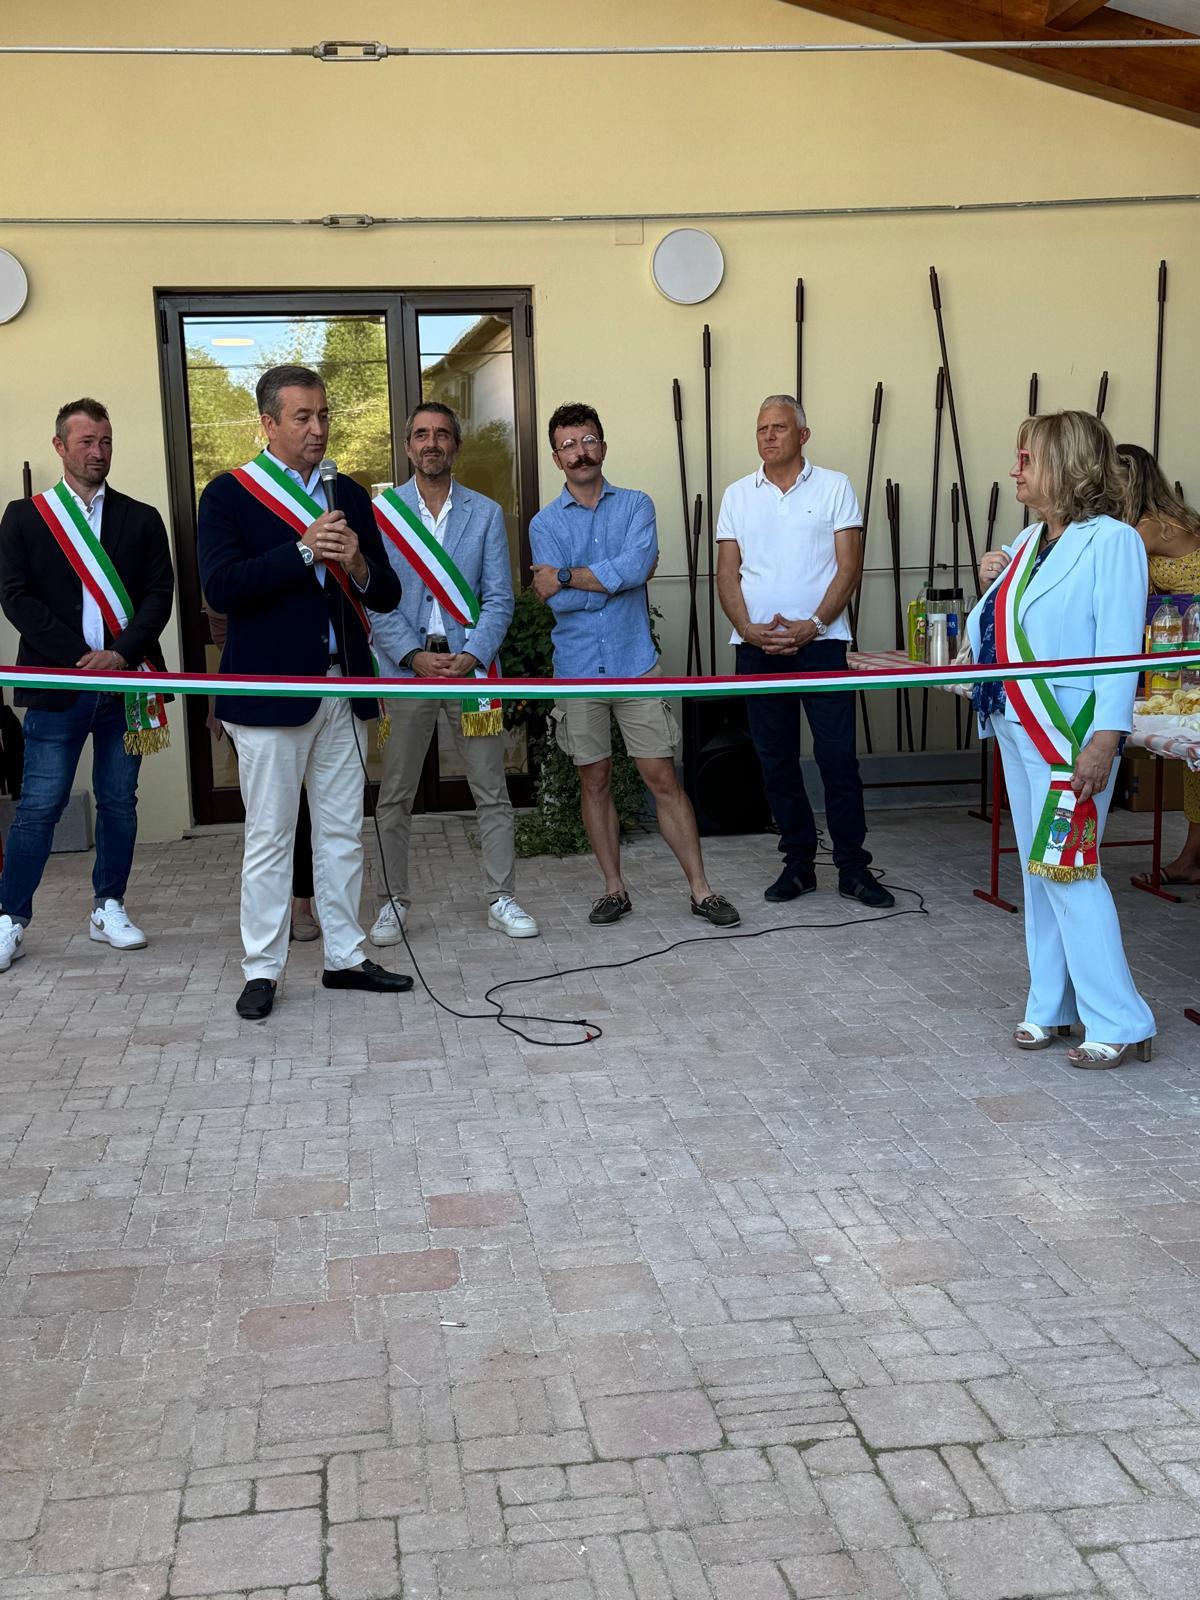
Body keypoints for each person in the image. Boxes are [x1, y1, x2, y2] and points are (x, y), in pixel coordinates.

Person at [197, 364, 412, 1021]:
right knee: (270, 836)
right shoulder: (229, 494)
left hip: (342, 686)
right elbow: (221, 587)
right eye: (302, 417)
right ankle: (262, 969)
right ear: (268, 424)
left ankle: (345, 956)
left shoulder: (348, 493)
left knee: (343, 832)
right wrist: (301, 552)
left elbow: (387, 593)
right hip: (271, 694)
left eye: (323, 416)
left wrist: (357, 562)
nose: (318, 428)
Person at [970, 411, 1154, 1069]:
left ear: (1066, 465)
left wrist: (1107, 738)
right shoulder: (1027, 542)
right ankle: (1051, 1002)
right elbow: (996, 634)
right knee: (1039, 869)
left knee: (1070, 870)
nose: (1014, 470)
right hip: (1017, 723)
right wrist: (990, 582)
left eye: (1027, 459)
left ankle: (1122, 1019)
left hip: (1070, 734)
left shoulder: (1113, 541)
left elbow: (1120, 649)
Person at [529, 402, 739, 928]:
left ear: (603, 446)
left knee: (662, 778)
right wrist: (611, 579)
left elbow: (636, 566)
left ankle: (702, 891)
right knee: (594, 781)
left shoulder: (636, 505)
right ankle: (614, 889)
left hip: (635, 666)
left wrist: (568, 574)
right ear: (556, 458)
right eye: (568, 445)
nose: (580, 452)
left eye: (588, 440)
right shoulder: (544, 523)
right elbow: (560, 602)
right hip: (578, 672)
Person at [0, 398, 175, 973]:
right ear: (60, 447)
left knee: (119, 802)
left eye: (105, 441)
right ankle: (9, 918)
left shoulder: (141, 517)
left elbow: (159, 595)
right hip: (59, 685)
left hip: (125, 684)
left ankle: (109, 907)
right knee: (39, 806)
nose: (98, 452)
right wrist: (78, 657)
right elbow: (15, 597)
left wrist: (120, 654)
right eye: (86, 442)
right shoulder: (25, 517)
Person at [366, 401, 538, 941]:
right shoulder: (383, 514)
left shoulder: (485, 513)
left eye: (442, 434)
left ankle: (501, 897)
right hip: (407, 671)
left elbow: (499, 598)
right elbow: (375, 600)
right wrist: (412, 656)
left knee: (492, 790)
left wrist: (473, 655)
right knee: (395, 795)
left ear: (456, 446)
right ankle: (392, 901)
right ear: (408, 446)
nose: (431, 443)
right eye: (421, 434)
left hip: (470, 671)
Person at [716, 395, 893, 910]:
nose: (769, 436)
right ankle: (798, 864)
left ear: (803, 435)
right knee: (776, 762)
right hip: (758, 649)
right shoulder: (737, 495)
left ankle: (853, 868)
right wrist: (747, 630)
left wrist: (814, 625)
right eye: (761, 428)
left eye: (779, 427)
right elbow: (727, 572)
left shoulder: (835, 486)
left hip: (823, 645)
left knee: (837, 759)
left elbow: (849, 567)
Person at [204, 601, 319, 940]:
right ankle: (266, 928)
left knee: (305, 810)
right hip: (254, 696)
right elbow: (223, 628)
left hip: (315, 692)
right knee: (269, 819)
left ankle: (302, 902)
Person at [1116, 443, 1200, 886]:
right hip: (1186, 641)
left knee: (1195, 761)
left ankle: (1190, 860)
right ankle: (1191, 857)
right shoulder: (1177, 518)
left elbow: (1122, 591)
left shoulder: (1146, 530)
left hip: (1189, 646)